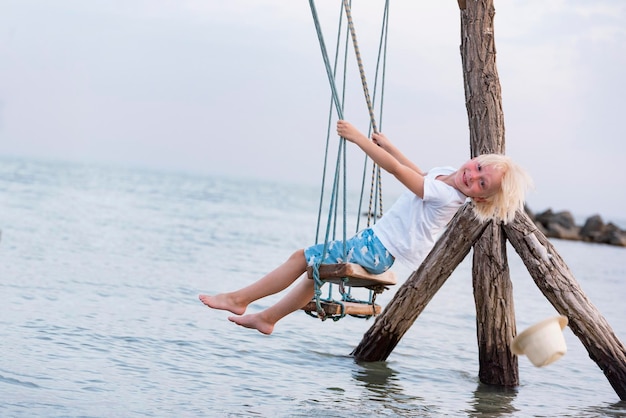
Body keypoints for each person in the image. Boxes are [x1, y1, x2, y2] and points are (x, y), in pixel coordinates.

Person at [199, 120, 532, 335]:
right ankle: (268, 318)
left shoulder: (449, 196)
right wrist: (390, 145)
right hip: (373, 243)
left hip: (377, 249)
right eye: (476, 167)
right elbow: (414, 169)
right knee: (316, 271)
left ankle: (239, 299)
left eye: (480, 183)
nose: (471, 176)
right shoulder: (447, 176)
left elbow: (399, 173)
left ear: (482, 199)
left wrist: (360, 140)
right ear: (475, 158)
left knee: (302, 257)